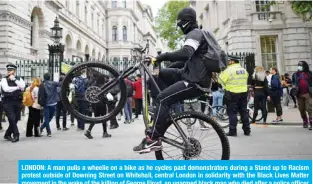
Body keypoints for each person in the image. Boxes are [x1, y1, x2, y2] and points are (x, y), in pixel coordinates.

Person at [133, 7, 211, 153]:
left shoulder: (194, 34)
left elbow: (186, 52)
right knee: (160, 74)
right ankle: (161, 111)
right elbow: (185, 61)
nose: (179, 26)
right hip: (189, 74)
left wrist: (161, 56)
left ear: (186, 22)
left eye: (180, 23)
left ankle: (154, 139)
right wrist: (162, 65)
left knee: (163, 98)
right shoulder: (198, 34)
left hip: (195, 81)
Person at [218, 56, 250, 137]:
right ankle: (247, 130)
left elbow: (220, 80)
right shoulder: (243, 70)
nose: (227, 62)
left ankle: (232, 131)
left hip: (232, 93)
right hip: (243, 92)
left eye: (229, 61)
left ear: (232, 61)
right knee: (244, 111)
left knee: (232, 113)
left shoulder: (228, 70)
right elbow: (246, 77)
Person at [1, 63, 25, 142]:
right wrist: (16, 87)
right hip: (8, 102)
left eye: (11, 70)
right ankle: (16, 134)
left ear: (14, 71)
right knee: (11, 118)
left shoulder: (18, 78)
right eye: (8, 70)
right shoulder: (4, 79)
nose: (9, 71)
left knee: (16, 118)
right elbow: (6, 89)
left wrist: (14, 80)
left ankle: (7, 134)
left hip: (17, 101)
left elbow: (22, 86)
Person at [84, 74, 112, 139]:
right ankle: (105, 133)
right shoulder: (103, 86)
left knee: (96, 118)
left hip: (95, 104)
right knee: (104, 118)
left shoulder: (93, 85)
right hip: (101, 104)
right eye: (104, 78)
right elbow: (105, 95)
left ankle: (88, 131)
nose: (105, 79)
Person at [292, 61, 312, 130]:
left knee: (309, 108)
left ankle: (311, 122)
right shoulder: (295, 74)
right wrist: (294, 86)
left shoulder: (309, 73)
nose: (299, 66)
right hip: (299, 94)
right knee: (301, 109)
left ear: (304, 66)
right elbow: (293, 82)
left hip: (308, 94)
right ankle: (305, 121)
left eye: (300, 65)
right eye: (298, 65)